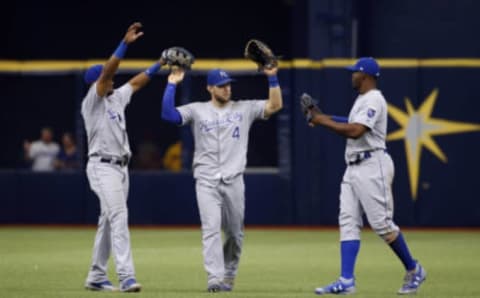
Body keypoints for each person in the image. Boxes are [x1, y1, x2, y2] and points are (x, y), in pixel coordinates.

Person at [301, 57, 426, 295]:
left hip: (372, 164)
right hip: (353, 167)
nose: (352, 76)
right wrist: (319, 116)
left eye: (354, 73)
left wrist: (321, 121)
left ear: (365, 76)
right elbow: (349, 122)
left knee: (382, 225)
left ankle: (414, 268)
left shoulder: (375, 99)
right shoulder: (361, 99)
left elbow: (357, 131)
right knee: (348, 222)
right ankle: (346, 280)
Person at [161, 67, 283, 292]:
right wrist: (171, 83)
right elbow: (168, 115)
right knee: (211, 229)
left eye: (228, 84)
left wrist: (272, 77)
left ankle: (229, 273)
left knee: (235, 233)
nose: (227, 89)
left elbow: (275, 106)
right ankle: (215, 279)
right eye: (221, 85)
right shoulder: (197, 110)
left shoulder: (244, 108)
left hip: (233, 180)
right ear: (209, 88)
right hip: (206, 181)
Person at [81, 22, 165, 292]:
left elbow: (137, 82)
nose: (112, 81)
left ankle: (96, 276)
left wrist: (160, 63)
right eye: (106, 79)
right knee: (118, 215)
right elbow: (109, 71)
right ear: (97, 83)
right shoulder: (91, 102)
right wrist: (124, 44)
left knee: (108, 219)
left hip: (121, 168)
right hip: (101, 166)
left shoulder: (116, 98)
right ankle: (126, 275)